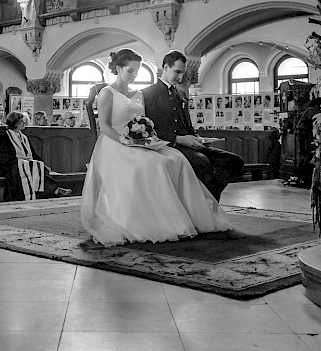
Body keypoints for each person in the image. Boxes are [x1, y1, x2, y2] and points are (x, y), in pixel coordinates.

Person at [81, 49, 229, 246]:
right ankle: (147, 220)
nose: (134, 76)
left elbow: (143, 121)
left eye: (137, 72)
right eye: (130, 71)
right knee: (154, 165)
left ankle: (186, 216)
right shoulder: (107, 93)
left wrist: (144, 138)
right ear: (118, 69)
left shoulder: (138, 94)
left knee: (176, 160)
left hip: (138, 141)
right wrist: (126, 141)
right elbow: (105, 127)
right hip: (115, 143)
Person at [142, 50, 244, 201]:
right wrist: (178, 139)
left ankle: (210, 198)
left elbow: (187, 124)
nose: (181, 77)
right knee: (202, 162)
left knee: (235, 162)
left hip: (190, 144)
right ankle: (203, 201)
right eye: (177, 72)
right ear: (165, 67)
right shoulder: (147, 94)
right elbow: (148, 131)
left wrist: (197, 138)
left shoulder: (180, 94)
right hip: (169, 146)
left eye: (182, 73)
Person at [0, 112, 49, 200]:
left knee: (39, 165)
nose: (24, 123)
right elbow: (3, 157)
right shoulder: (4, 137)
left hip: (23, 163)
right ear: (15, 123)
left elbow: (33, 154)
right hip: (10, 165)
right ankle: (52, 191)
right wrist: (19, 160)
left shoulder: (23, 137)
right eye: (21, 122)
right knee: (21, 168)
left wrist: (42, 162)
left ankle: (50, 191)